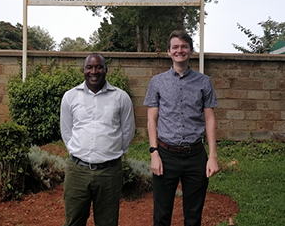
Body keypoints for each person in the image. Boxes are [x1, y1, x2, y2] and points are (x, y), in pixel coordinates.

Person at [144, 30, 219, 226]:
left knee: (194, 216)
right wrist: (154, 153)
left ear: (191, 51)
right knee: (161, 214)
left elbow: (210, 119)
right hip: (166, 155)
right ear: (169, 52)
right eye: (175, 47)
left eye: (184, 46)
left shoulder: (204, 82)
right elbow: (152, 119)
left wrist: (212, 156)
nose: (180, 50)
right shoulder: (157, 82)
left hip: (196, 156)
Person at [60, 53, 135, 226]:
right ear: (83, 70)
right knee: (73, 221)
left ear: (106, 70)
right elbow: (66, 131)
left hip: (109, 172)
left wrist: (110, 153)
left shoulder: (121, 97)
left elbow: (127, 132)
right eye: (90, 67)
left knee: (107, 222)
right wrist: (77, 151)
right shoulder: (70, 97)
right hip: (77, 172)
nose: (94, 71)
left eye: (99, 67)